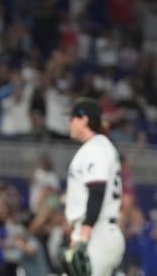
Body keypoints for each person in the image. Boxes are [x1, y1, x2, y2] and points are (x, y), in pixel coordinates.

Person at [62, 98, 125, 276]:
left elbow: (97, 191)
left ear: (84, 119)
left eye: (72, 118)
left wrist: (84, 234)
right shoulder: (101, 147)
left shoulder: (94, 148)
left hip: (97, 234)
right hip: (101, 231)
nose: (69, 123)